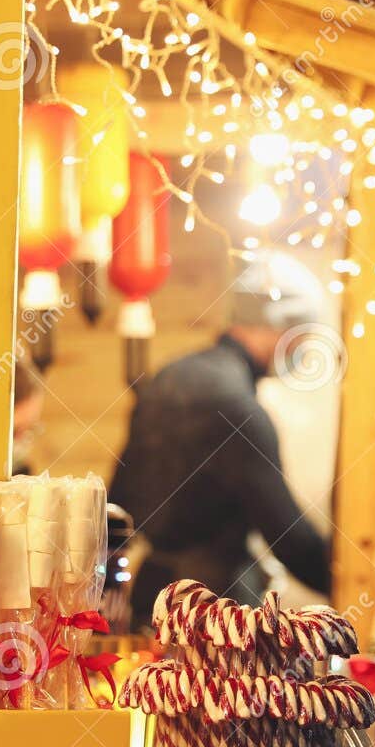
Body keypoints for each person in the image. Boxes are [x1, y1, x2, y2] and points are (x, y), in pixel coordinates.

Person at [111, 252, 333, 617]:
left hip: (150, 599)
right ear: (278, 326)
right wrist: (361, 579)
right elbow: (290, 540)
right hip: (217, 614)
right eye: (301, 338)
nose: (301, 351)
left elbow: (119, 502)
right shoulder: (239, 410)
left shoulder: (167, 377)